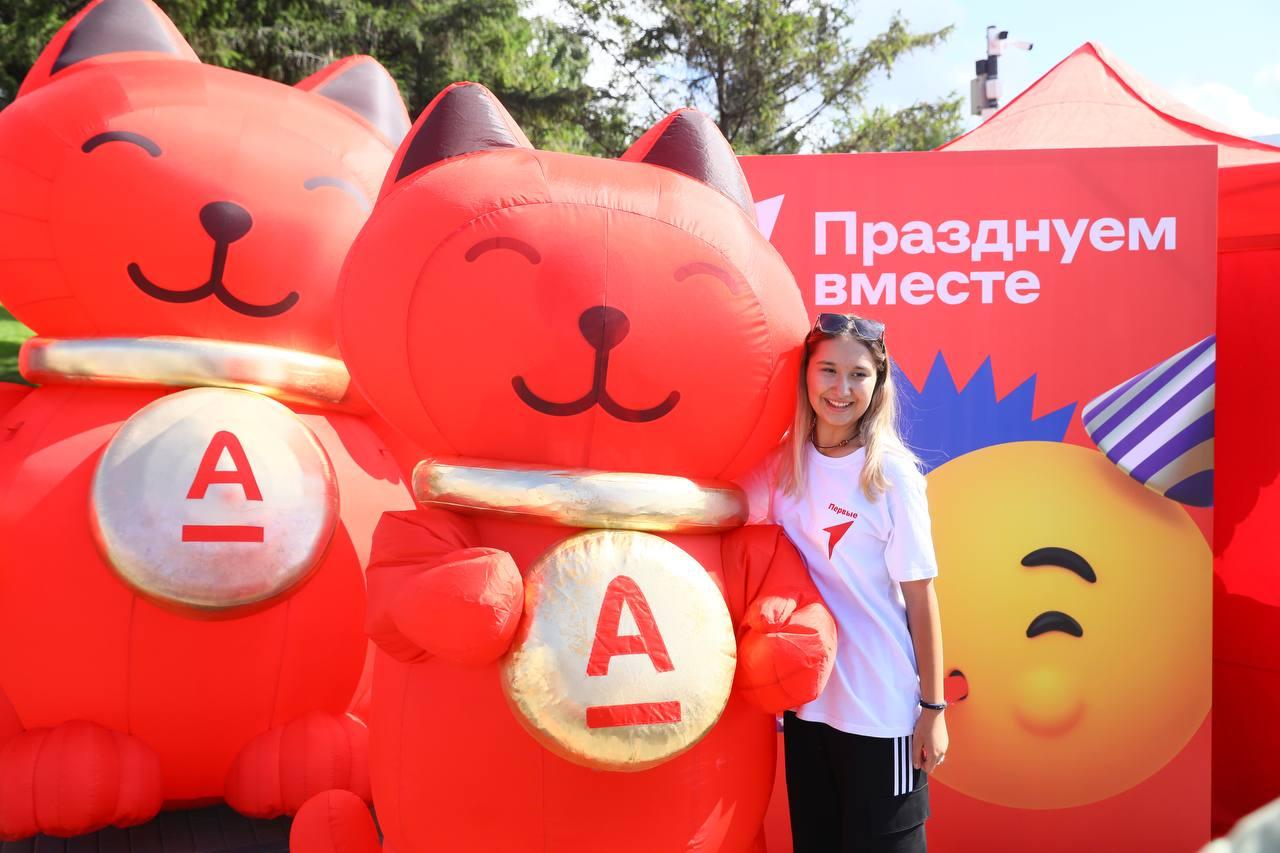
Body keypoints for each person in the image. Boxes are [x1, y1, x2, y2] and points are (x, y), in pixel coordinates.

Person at [741, 312, 947, 853]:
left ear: (878, 386)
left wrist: (932, 710)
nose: (841, 388)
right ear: (805, 375)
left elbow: (921, 598)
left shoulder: (892, 476)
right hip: (808, 707)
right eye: (827, 370)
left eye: (858, 375)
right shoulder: (780, 466)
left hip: (883, 711)